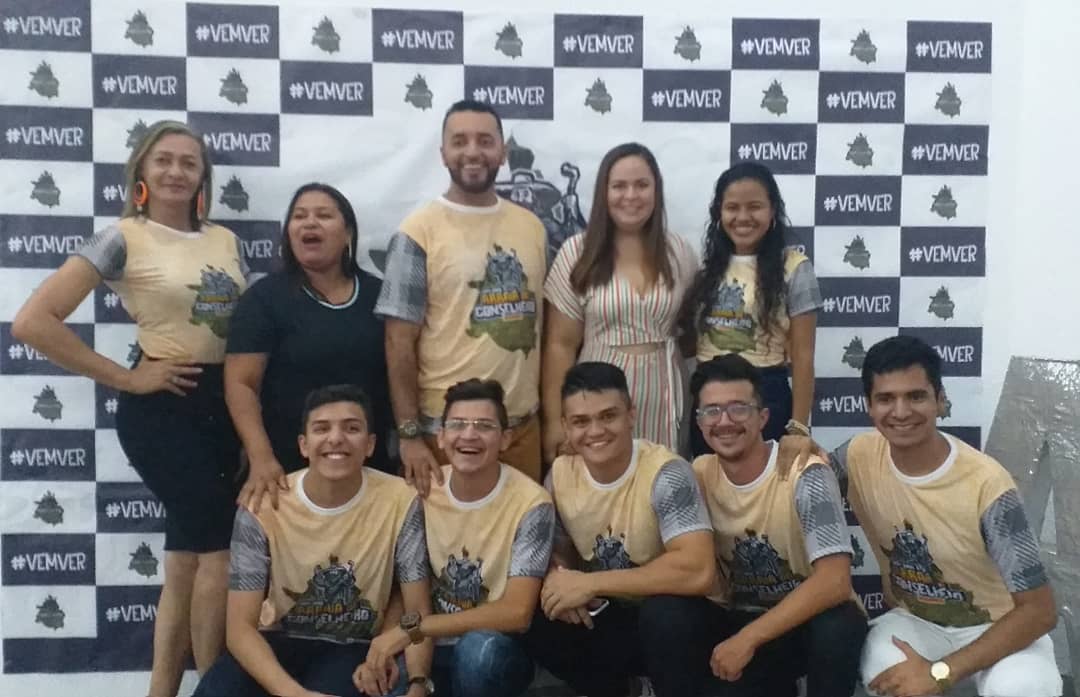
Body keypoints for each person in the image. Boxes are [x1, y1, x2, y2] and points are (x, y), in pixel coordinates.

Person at [12, 120, 247, 696]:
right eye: (163, 160)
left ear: (203, 176)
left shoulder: (225, 240)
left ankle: (161, 690)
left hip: (221, 409)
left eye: (189, 162)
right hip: (164, 410)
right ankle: (215, 689)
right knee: (218, 552)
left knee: (186, 562)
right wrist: (126, 378)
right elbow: (33, 322)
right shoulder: (122, 236)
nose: (175, 171)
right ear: (141, 169)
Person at [827, 336, 1060, 697]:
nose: (901, 412)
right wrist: (797, 444)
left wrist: (940, 672)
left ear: (940, 400)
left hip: (1000, 626)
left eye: (916, 396)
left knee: (1021, 688)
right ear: (868, 406)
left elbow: (1040, 612)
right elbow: (798, 490)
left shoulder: (987, 484)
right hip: (916, 623)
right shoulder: (858, 455)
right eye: (886, 399)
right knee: (885, 671)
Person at [645, 354, 866, 697]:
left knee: (840, 624)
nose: (725, 421)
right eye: (712, 411)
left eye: (738, 409)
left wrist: (749, 639)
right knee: (664, 611)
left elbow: (834, 581)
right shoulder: (696, 474)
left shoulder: (805, 472)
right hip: (735, 620)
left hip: (800, 623)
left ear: (763, 417)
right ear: (699, 422)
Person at [193, 384, 432, 697]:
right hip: (276, 641)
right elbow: (239, 630)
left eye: (352, 428)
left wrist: (406, 670)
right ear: (303, 446)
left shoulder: (402, 499)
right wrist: (293, 694)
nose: (336, 438)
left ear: (370, 444)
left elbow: (417, 611)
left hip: (354, 647)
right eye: (322, 429)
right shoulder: (262, 505)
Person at [376, 99, 546, 491]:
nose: (472, 151)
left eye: (485, 141)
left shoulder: (532, 227)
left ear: (502, 152)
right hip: (445, 434)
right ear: (443, 154)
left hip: (520, 429)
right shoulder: (417, 231)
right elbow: (398, 342)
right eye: (460, 141)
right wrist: (408, 434)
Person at [520, 361, 716, 697]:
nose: (595, 431)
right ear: (565, 426)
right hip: (610, 614)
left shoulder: (667, 472)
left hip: (676, 621)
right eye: (581, 421)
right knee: (535, 604)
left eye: (608, 416)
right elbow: (557, 552)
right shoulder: (561, 474)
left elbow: (698, 571)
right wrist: (557, 577)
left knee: (666, 613)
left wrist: (589, 583)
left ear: (631, 415)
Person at [359, 379, 554, 697]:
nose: (469, 435)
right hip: (425, 644)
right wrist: (417, 679)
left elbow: (517, 613)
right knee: (386, 682)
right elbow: (412, 599)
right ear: (441, 436)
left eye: (484, 426)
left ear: (505, 439)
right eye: (457, 424)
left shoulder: (532, 503)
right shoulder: (420, 494)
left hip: (494, 646)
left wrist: (412, 630)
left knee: (479, 652)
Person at [226, 182, 393, 514]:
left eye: (324, 215)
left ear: (348, 233)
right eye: (300, 216)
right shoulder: (263, 300)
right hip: (286, 470)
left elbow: (403, 370)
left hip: (370, 467)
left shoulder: (381, 296)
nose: (310, 223)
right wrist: (261, 457)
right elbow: (241, 384)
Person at [542, 142, 697, 461]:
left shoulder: (678, 252)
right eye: (619, 186)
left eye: (641, 185)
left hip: (665, 396)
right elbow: (560, 345)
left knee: (662, 480)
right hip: (596, 401)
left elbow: (691, 331)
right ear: (604, 192)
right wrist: (556, 422)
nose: (631, 195)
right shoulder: (577, 253)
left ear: (656, 191)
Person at [678, 162, 821, 453]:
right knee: (709, 478)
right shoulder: (705, 270)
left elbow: (804, 356)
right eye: (732, 207)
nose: (743, 217)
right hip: (708, 396)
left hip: (766, 395)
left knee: (767, 480)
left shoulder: (795, 267)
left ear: (772, 211)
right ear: (719, 213)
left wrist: (799, 427)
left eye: (754, 207)